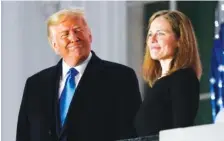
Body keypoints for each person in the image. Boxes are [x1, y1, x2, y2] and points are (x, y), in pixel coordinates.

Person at [16, 8, 142, 141]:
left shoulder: (120, 77)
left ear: (90, 35)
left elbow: (131, 134)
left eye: (78, 30)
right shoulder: (35, 84)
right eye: (65, 34)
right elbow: (23, 136)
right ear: (54, 45)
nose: (74, 38)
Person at [134, 10, 202, 136]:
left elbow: (181, 132)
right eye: (150, 34)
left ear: (179, 40)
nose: (152, 39)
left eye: (160, 33)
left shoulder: (183, 78)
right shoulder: (159, 83)